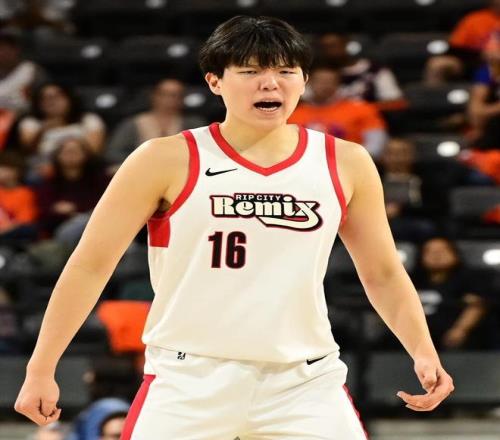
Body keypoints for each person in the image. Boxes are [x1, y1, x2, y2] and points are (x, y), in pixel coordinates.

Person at [14, 16, 454, 439]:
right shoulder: (163, 158)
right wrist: (41, 367)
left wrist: (423, 350)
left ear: (304, 80)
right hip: (189, 378)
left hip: (304, 380)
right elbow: (90, 265)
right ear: (215, 81)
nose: (270, 83)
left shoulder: (346, 161)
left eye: (286, 71)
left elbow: (382, 272)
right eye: (250, 71)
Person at [288, 61, 388, 158]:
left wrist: (343, 160)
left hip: (349, 164)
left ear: (338, 83)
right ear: (308, 82)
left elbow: (376, 147)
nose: (325, 86)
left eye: (330, 82)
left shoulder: (362, 109)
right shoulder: (291, 113)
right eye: (320, 81)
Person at [105, 78, 207, 167]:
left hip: (181, 169)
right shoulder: (133, 123)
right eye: (165, 94)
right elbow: (113, 153)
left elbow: (204, 150)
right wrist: (143, 159)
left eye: (176, 95)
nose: (171, 100)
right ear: (154, 96)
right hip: (141, 169)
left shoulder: (194, 124)